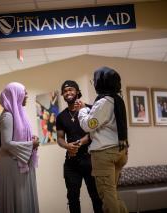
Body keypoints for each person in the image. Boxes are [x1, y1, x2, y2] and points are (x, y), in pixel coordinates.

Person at [77, 67, 129, 213]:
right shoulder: (117, 100)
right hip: (120, 152)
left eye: (95, 80)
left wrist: (82, 110)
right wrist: (89, 109)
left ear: (101, 82)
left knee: (107, 196)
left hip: (104, 154)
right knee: (112, 195)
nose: (94, 83)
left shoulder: (104, 102)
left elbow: (88, 125)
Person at [56, 80, 103, 213]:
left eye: (71, 89)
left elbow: (95, 132)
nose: (68, 92)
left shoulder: (90, 108)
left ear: (77, 91)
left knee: (96, 196)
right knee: (72, 198)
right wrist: (67, 146)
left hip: (90, 160)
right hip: (71, 162)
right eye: (65, 91)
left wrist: (79, 143)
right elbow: (60, 138)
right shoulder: (61, 117)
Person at [0, 82, 40, 213]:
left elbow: (18, 136)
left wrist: (31, 139)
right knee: (18, 198)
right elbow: (6, 143)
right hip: (11, 164)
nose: (26, 95)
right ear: (15, 95)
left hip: (18, 161)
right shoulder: (8, 115)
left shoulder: (19, 114)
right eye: (24, 92)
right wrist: (32, 144)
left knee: (22, 198)